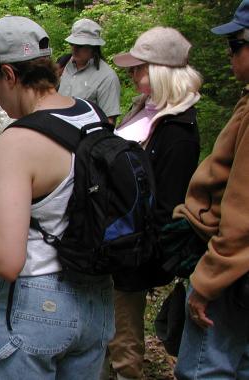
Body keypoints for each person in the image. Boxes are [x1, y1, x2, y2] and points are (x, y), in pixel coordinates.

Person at [0, 16, 114, 377]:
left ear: (10, 75)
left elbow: (8, 261)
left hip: (36, 303)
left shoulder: (18, 141)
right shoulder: (90, 114)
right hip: (95, 300)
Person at [105, 27, 202, 380]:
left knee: (123, 339)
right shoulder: (147, 111)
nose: (132, 76)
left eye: (139, 69)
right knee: (108, 330)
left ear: (161, 72)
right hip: (118, 237)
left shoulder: (178, 131)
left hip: (134, 249)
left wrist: (137, 256)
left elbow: (165, 205)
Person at [174, 1, 249, 377]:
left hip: (234, 272)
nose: (229, 53)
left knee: (206, 369)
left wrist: (208, 280)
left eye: (235, 44)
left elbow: (242, 212)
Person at [58, 18, 121, 124]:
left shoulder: (107, 77)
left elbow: (109, 121)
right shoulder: (63, 65)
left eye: (80, 45)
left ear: (93, 47)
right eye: (72, 44)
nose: (75, 49)